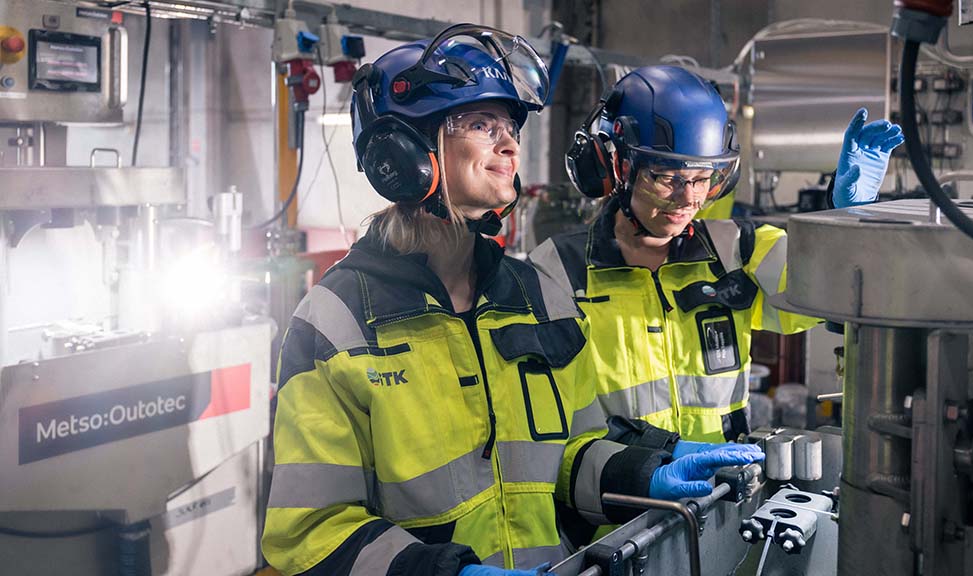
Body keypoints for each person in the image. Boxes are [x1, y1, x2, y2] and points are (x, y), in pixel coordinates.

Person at [261, 30, 760, 576]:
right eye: (481, 125)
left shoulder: (536, 296)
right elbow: (309, 529)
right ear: (401, 151)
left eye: (510, 128)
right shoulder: (337, 321)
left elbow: (572, 452)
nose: (510, 146)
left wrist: (646, 471)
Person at [531, 64, 901, 485]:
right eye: (667, 177)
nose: (688, 198)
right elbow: (553, 425)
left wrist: (848, 220)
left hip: (723, 494)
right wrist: (654, 464)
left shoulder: (737, 251)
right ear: (617, 165)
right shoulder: (559, 270)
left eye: (703, 178)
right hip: (616, 505)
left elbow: (832, 298)